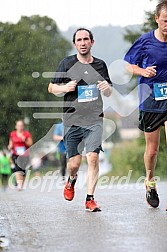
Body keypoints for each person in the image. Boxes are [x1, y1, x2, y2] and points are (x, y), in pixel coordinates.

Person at [48, 27, 112, 212]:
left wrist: (105, 87)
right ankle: (71, 180)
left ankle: (90, 199)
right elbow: (51, 88)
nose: (83, 43)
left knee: (92, 158)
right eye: (79, 40)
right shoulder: (67, 64)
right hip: (72, 119)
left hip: (94, 119)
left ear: (92, 42)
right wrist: (64, 88)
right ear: (75, 44)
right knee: (74, 164)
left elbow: (108, 92)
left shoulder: (100, 65)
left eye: (86, 39)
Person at [124, 1, 167, 208]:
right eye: (165, 20)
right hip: (150, 99)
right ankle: (150, 182)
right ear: (157, 19)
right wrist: (142, 71)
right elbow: (126, 65)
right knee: (152, 151)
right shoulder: (145, 41)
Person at [8, 120, 33, 191]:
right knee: (17, 169)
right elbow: (11, 143)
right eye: (18, 125)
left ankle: (21, 184)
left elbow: (30, 144)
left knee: (23, 170)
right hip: (15, 154)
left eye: (21, 125)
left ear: (23, 126)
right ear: (16, 126)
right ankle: (19, 184)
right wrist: (9, 146)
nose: (20, 127)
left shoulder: (26, 134)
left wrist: (24, 140)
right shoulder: (12, 134)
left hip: (25, 155)